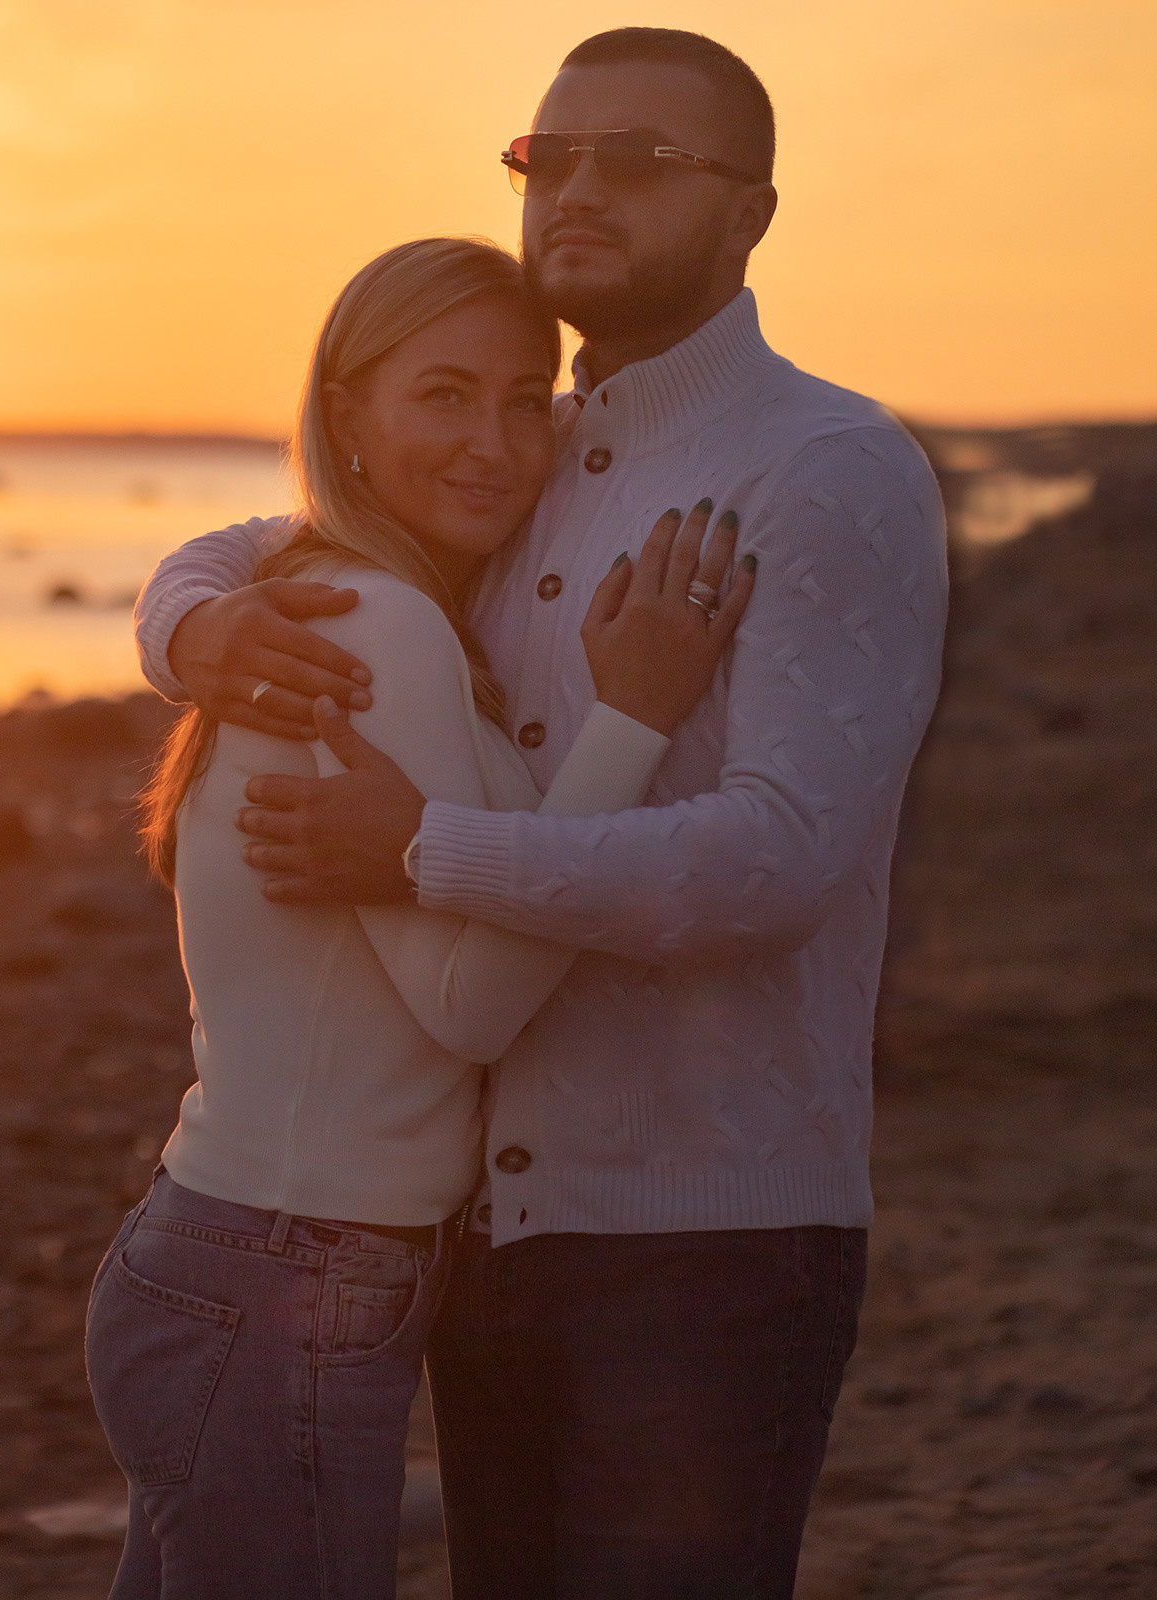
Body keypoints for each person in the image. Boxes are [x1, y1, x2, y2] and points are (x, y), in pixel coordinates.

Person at [129, 26, 948, 1600]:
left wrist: (427, 851)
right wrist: (188, 627)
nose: (575, 186)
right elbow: (287, 531)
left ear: (751, 212)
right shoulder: (538, 448)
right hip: (485, 1238)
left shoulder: (820, 466)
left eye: (637, 158)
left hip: (700, 1234)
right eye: (546, 155)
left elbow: (778, 857)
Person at [86, 235, 752, 1599]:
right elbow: (476, 1003)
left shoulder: (346, 591)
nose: (496, 443)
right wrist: (630, 720)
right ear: (350, 415)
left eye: (526, 399)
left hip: (234, 1256)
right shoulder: (373, 624)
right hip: (286, 1274)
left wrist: (182, 614)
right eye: (442, 396)